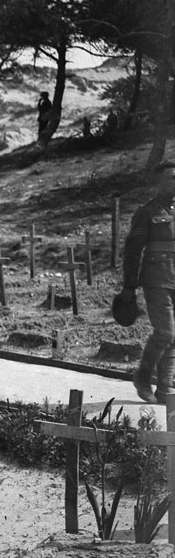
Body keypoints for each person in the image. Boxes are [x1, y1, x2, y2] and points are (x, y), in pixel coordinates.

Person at [119, 162, 175, 403]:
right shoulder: (146, 212)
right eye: (172, 178)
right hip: (156, 280)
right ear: (159, 182)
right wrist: (129, 286)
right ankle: (143, 377)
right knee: (165, 332)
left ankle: (165, 389)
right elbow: (132, 252)